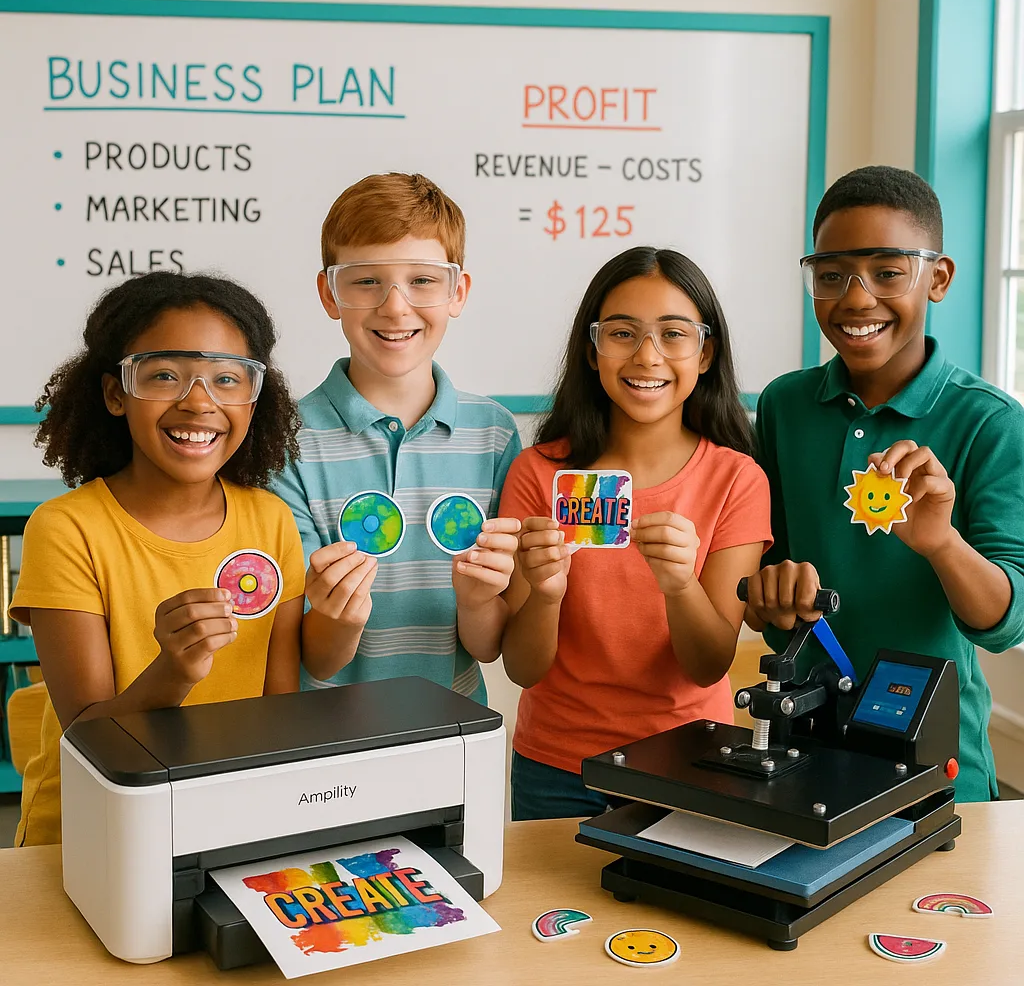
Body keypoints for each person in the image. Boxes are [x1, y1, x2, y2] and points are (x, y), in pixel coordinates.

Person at [744, 165, 1024, 802]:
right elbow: (772, 574)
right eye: (831, 273)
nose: (856, 297)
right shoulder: (785, 405)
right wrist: (771, 597)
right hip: (802, 745)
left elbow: (1005, 623)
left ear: (939, 278)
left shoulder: (991, 421)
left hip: (938, 759)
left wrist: (941, 544)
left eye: (888, 272)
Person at [10, 272, 305, 845]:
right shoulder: (67, 529)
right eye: (165, 375)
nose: (199, 402)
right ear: (116, 393)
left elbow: (279, 712)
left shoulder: (270, 520)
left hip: (222, 819)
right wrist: (174, 671)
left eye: (226, 378)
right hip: (92, 833)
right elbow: (89, 736)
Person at [498, 246, 772, 819]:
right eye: (623, 333)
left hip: (690, 761)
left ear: (705, 352)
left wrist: (680, 586)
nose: (648, 357)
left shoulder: (737, 479)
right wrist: (545, 595)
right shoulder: (538, 472)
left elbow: (709, 664)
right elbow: (523, 668)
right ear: (592, 350)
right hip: (555, 765)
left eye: (674, 334)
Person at [273, 173, 521, 703]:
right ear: (329, 293)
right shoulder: (285, 440)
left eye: (423, 280)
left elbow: (487, 646)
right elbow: (316, 656)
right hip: (324, 741)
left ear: (458, 292)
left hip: (450, 732)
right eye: (366, 280)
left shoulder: (494, 435)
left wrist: (479, 600)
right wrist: (338, 614)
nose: (395, 306)